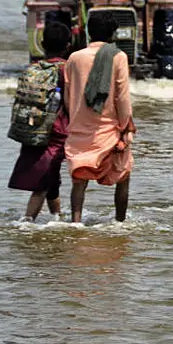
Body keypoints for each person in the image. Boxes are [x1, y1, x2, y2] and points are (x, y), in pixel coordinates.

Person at [63, 13, 135, 223]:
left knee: (79, 180)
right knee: (123, 176)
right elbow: (121, 95)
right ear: (113, 34)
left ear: (89, 32)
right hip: (109, 128)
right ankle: (120, 223)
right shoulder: (118, 56)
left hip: (79, 128)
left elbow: (69, 96)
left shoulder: (74, 58)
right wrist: (125, 126)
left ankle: (76, 223)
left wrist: (76, 118)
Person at [7, 21, 72, 221]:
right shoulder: (65, 70)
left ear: (42, 45)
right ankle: (27, 222)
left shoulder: (33, 68)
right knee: (43, 180)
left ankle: (57, 218)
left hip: (32, 127)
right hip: (55, 130)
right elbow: (70, 102)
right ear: (68, 45)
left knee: (51, 179)